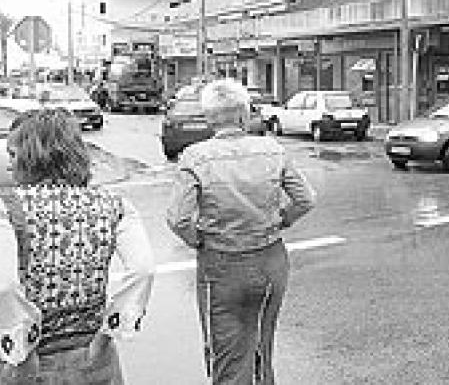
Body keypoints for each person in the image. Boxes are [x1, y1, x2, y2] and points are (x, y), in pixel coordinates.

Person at [166, 79, 315, 384]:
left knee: (226, 353)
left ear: (209, 119)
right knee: (261, 344)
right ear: (244, 115)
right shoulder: (272, 150)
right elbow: (305, 199)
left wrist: (198, 240)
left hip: (221, 265)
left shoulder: (195, 157)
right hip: (270, 260)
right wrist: (282, 220)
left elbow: (178, 219)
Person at [0, 109, 155, 384]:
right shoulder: (114, 204)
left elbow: (5, 285)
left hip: (31, 361)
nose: (8, 165)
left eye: (13, 155)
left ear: (33, 156)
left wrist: (21, 347)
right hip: (93, 356)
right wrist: (108, 333)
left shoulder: (8, 208)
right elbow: (143, 270)